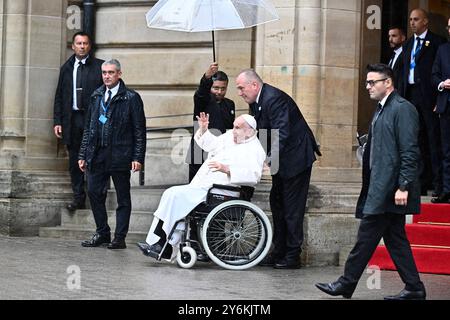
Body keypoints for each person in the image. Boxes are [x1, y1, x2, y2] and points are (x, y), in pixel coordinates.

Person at [315, 63, 426, 300]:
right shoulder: (381, 109)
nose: (367, 86)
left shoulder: (402, 109)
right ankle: (415, 288)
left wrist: (403, 185)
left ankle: (346, 283)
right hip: (380, 186)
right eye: (367, 82)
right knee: (396, 240)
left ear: (388, 83)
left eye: (372, 82)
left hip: (390, 189)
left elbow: (410, 151)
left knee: (365, 238)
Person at [137, 113, 266, 259]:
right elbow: (212, 145)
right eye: (234, 126)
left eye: (237, 128)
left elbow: (254, 176)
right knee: (170, 193)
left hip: (223, 190)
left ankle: (164, 245)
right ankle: (160, 243)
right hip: (206, 186)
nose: (233, 130)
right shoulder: (230, 137)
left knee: (175, 195)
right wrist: (204, 130)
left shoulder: (255, 149)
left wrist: (227, 169)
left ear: (249, 131)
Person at [235, 69, 321, 269]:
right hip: (282, 161)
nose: (239, 92)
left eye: (241, 88)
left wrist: (269, 159)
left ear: (254, 85)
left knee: (292, 209)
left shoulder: (273, 99)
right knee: (277, 204)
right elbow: (259, 133)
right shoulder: (256, 102)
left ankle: (292, 255)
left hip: (296, 159)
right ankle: (279, 250)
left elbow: (281, 131)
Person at [78, 59, 146, 249]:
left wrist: (137, 157)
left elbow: (139, 130)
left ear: (119, 74)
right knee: (93, 191)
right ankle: (102, 232)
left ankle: (119, 237)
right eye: (104, 73)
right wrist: (83, 154)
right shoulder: (96, 95)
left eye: (111, 73)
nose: (107, 76)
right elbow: (89, 127)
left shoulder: (131, 98)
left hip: (120, 154)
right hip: (97, 153)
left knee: (123, 197)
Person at [53, 31, 104, 211]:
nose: (82, 46)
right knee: (75, 160)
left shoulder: (100, 67)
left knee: (94, 157)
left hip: (92, 119)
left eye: (85, 43)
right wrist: (57, 121)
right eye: (79, 43)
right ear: (73, 46)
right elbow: (59, 96)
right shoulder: (66, 68)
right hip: (73, 120)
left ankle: (97, 196)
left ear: (89, 46)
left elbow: (107, 97)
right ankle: (78, 197)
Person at [398, 8, 446, 197]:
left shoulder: (436, 42)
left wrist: (438, 99)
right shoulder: (408, 44)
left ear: (425, 21)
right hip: (411, 96)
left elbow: (438, 72)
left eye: (416, 19)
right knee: (414, 140)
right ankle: (420, 182)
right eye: (410, 19)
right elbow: (402, 74)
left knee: (433, 141)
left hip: (429, 97)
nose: (412, 23)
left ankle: (438, 183)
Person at [187, 62, 235, 182]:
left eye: (223, 88)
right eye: (216, 88)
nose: (219, 92)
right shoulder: (203, 100)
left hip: (218, 154)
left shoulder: (230, 104)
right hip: (200, 153)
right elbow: (201, 93)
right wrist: (207, 78)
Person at [431, 18, 450, 203]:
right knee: (446, 150)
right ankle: (447, 189)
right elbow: (434, 75)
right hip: (446, 105)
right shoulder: (443, 50)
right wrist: (442, 84)